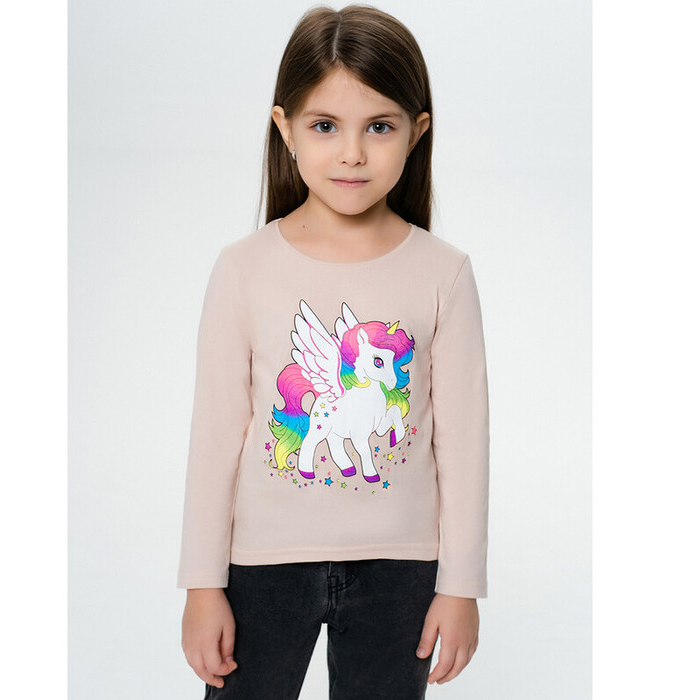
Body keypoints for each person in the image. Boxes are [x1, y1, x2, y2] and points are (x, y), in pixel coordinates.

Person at [177, 5, 490, 698]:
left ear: (417, 132)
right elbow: (216, 434)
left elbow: (464, 443)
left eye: (379, 126)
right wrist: (202, 584)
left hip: (402, 570)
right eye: (325, 126)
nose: (352, 153)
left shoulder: (444, 273)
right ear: (285, 127)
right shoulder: (243, 269)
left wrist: (461, 586)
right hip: (261, 566)